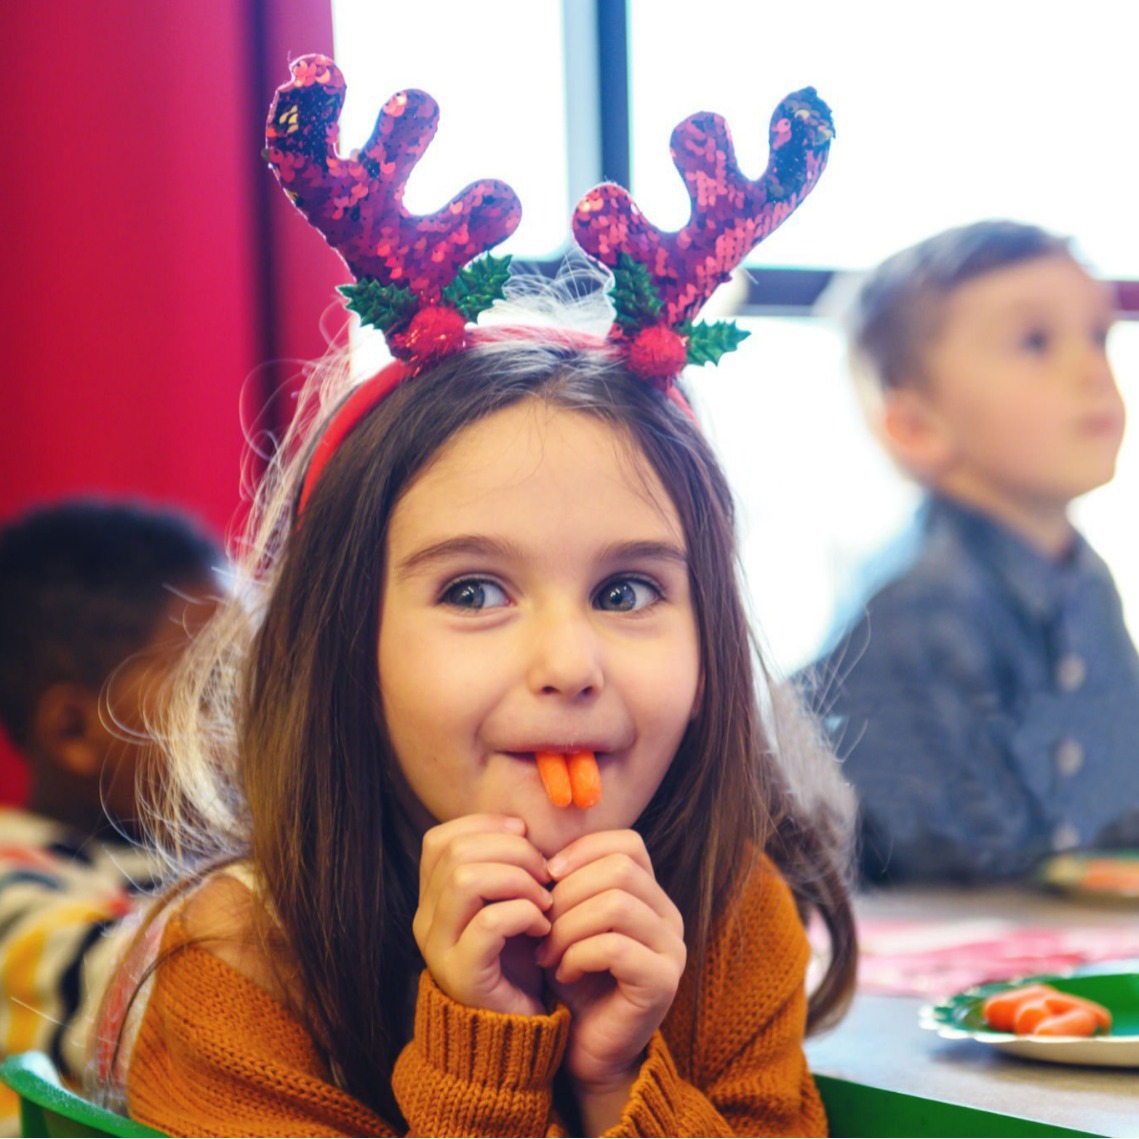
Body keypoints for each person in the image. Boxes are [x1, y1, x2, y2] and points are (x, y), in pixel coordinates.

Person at [94, 55, 856, 1137]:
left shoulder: (733, 925)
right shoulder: (236, 964)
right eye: (472, 588)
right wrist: (482, 1055)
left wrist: (617, 1077)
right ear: (343, 645)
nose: (566, 660)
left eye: (629, 588)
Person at [800, 219, 1139, 885]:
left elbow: (1114, 784)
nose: (1091, 370)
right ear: (916, 426)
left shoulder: (1083, 576)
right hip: (947, 947)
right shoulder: (918, 603)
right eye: (1034, 341)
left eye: (1097, 336)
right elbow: (949, 859)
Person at [0, 497, 223, 1127]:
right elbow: (151, 1009)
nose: (257, 725)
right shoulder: (13, 881)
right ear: (74, 729)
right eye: (214, 693)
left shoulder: (181, 855)